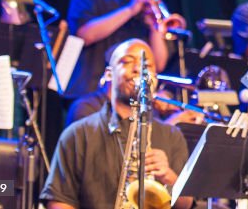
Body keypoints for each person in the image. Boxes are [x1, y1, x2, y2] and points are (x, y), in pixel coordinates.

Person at [41, 39, 192, 209]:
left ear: (155, 78)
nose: (138, 69)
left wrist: (168, 176)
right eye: (127, 61)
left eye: (147, 65)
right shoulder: (78, 134)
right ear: (108, 74)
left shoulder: (172, 136)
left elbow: (185, 204)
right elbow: (59, 201)